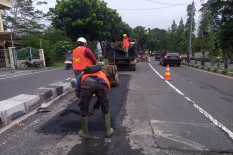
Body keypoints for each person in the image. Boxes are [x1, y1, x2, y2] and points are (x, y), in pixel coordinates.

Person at [75, 70, 114, 139]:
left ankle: (85, 133)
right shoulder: (101, 74)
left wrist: (82, 101)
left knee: (83, 107)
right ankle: (108, 131)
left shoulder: (82, 74)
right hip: (102, 84)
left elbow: (77, 92)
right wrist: (93, 110)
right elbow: (100, 99)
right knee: (105, 104)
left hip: (87, 84)